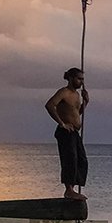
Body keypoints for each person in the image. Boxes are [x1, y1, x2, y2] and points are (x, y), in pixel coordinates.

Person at [45, 67, 89, 200]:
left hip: (75, 132)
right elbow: (49, 105)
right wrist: (62, 123)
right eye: (79, 79)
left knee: (82, 160)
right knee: (70, 159)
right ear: (71, 78)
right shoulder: (63, 92)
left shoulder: (76, 95)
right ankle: (68, 190)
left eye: (82, 79)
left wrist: (86, 102)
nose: (81, 82)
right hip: (65, 132)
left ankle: (73, 189)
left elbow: (76, 113)